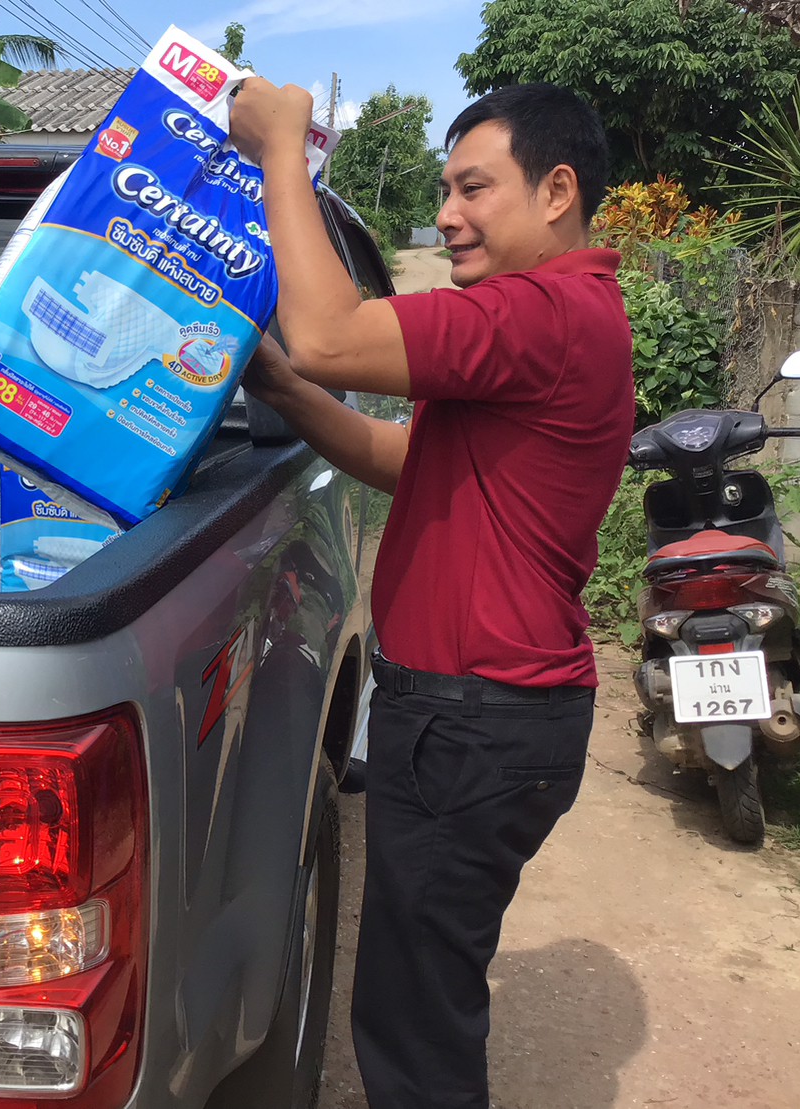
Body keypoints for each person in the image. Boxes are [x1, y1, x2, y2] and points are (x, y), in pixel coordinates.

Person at [228, 82, 635, 1108]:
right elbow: (403, 457)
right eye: (445, 191)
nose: (447, 214)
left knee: (413, 1030)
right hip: (484, 715)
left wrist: (282, 146)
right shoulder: (562, 320)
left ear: (556, 191)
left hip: (475, 719)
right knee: (418, 996)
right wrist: (281, 387)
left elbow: (330, 333)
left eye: (472, 188)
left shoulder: (542, 312)